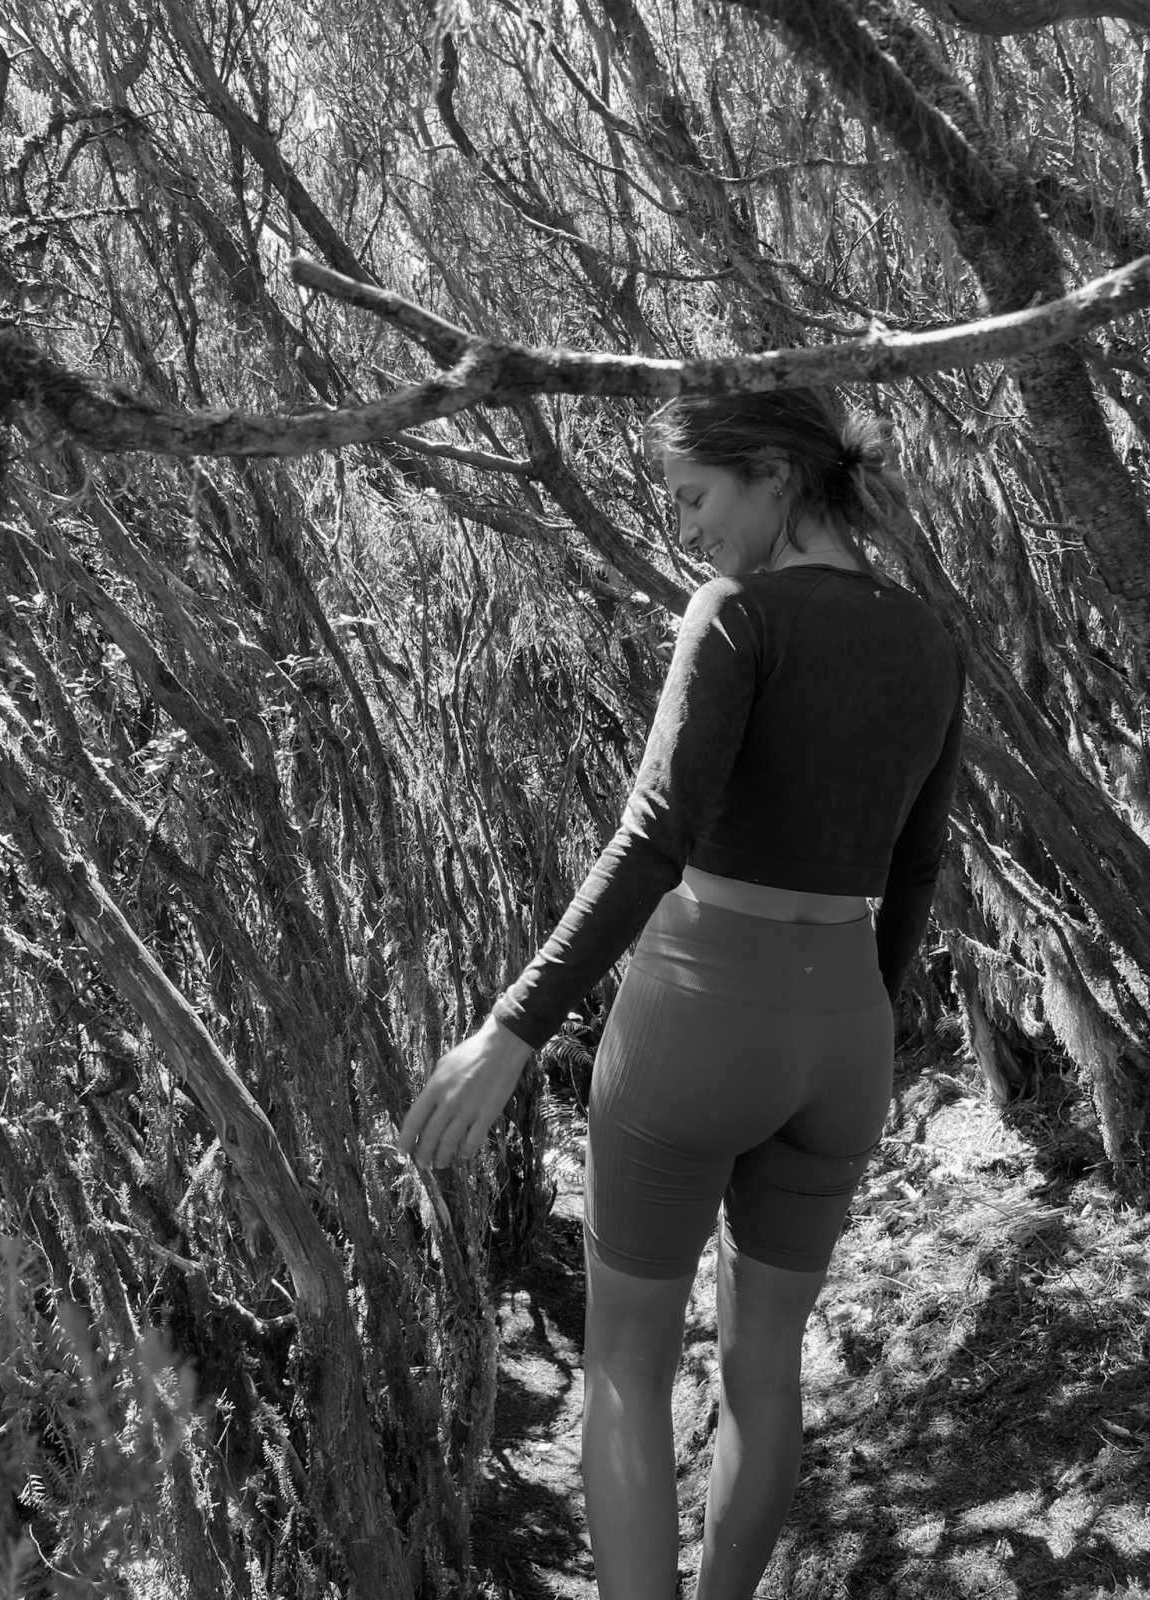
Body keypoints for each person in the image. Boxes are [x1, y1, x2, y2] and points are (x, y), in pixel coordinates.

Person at [399, 387, 966, 1600]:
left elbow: (655, 836)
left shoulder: (738, 614)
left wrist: (512, 1026)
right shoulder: (931, 640)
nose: (687, 530)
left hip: (699, 1014)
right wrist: (857, 1022)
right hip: (845, 1035)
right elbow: (917, 868)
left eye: (696, 497)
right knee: (765, 1367)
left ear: (774, 475)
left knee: (625, 1364)